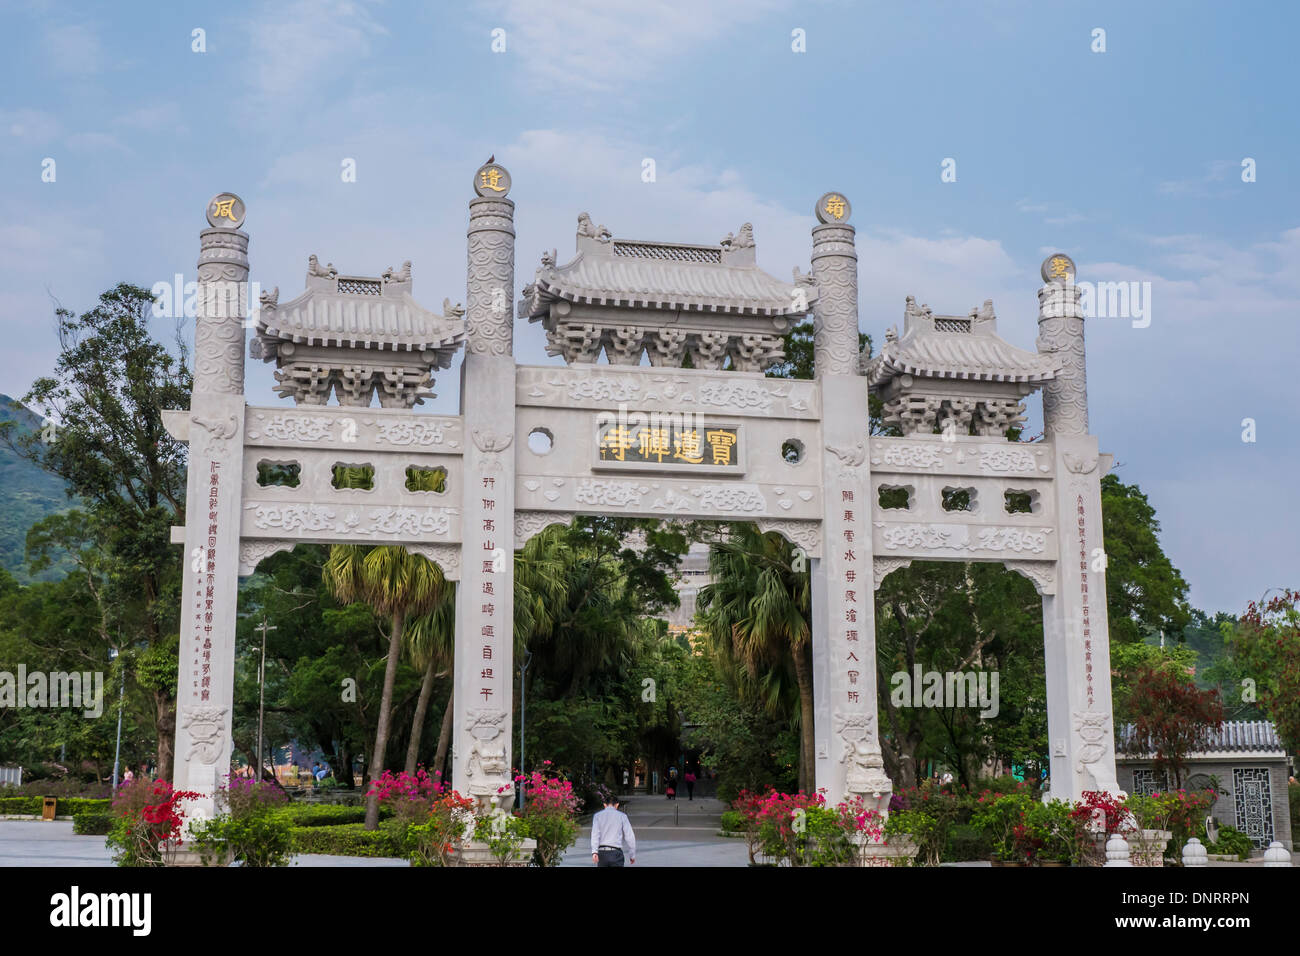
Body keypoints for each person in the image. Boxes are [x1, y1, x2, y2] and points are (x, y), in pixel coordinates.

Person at [590, 794, 636, 867]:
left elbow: (595, 835)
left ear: (605, 805)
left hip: (602, 854)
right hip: (616, 853)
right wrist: (632, 855)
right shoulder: (622, 816)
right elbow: (630, 836)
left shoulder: (597, 816)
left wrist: (594, 852)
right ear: (617, 805)